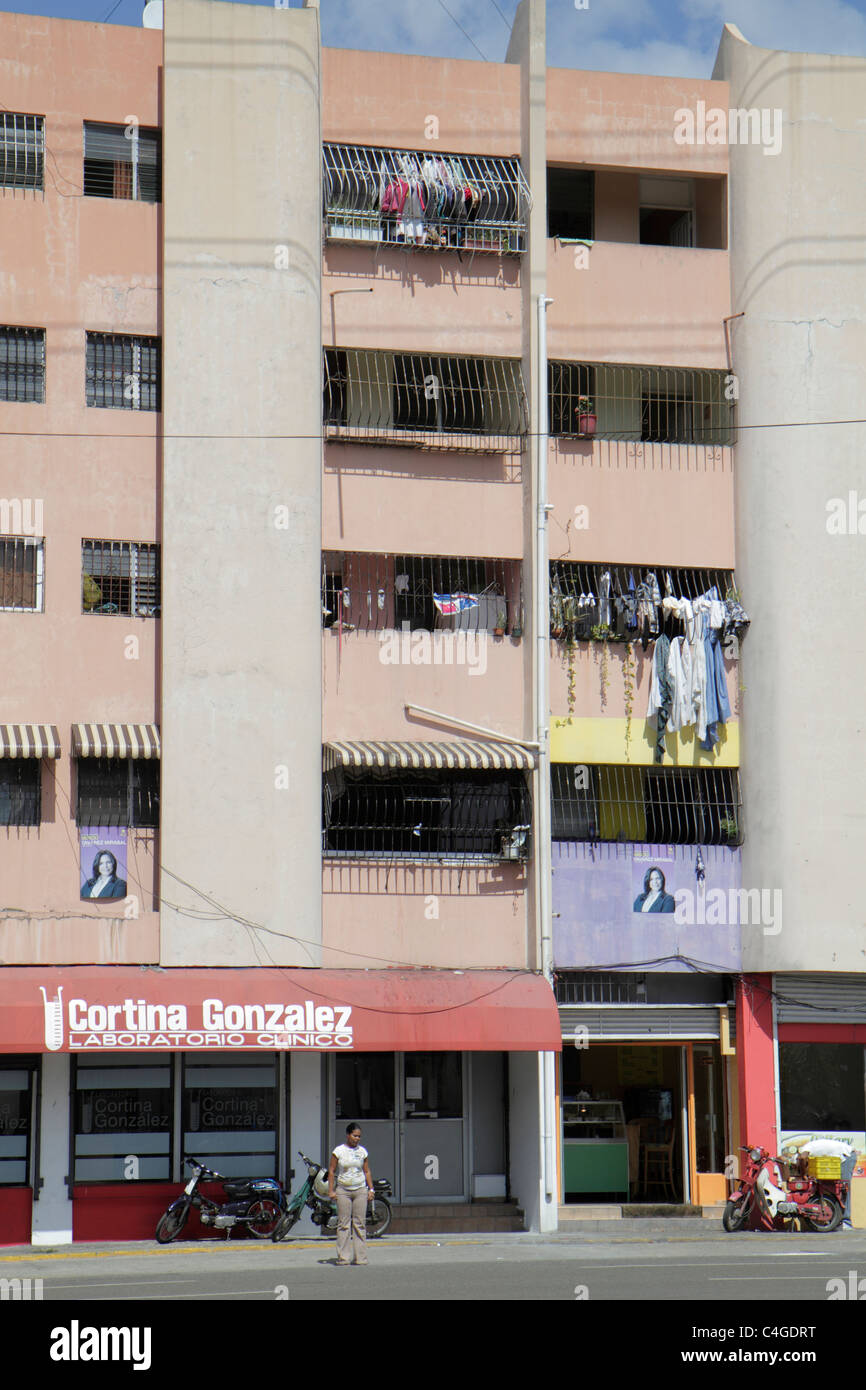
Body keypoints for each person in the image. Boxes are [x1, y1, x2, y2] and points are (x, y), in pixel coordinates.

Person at [328, 1122, 375, 1266]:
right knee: (344, 1224)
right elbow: (331, 1171)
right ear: (348, 1135)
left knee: (359, 1224)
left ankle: (360, 1258)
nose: (357, 1139)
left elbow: (366, 1171)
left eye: (359, 1136)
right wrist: (331, 1190)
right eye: (354, 1135)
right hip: (343, 1191)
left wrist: (371, 1189)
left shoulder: (363, 1152)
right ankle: (343, 1257)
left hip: (360, 1190)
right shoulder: (339, 1151)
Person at [797, 1137, 857, 1230]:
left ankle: (846, 1221)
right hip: (838, 1158)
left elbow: (803, 1158)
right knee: (832, 1188)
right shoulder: (811, 1150)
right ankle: (836, 1220)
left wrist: (803, 1173)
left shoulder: (806, 1149)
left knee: (843, 1187)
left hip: (847, 1156)